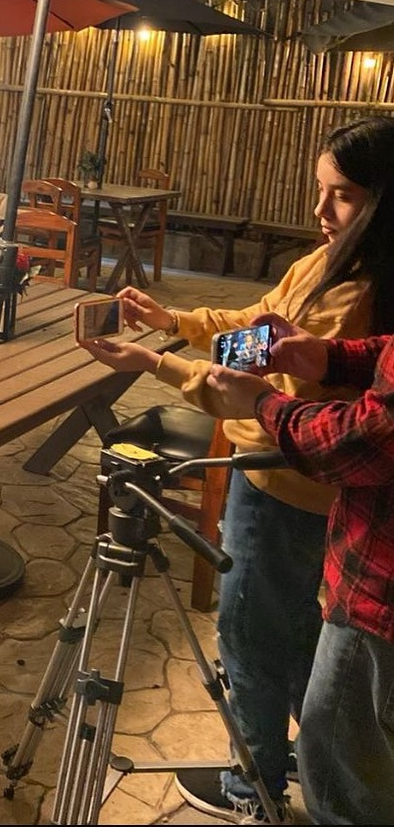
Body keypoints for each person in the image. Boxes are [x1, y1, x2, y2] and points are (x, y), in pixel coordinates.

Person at [88, 115, 394, 821]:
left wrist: (158, 364)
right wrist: (175, 323)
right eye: (320, 189)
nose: (320, 210)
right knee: (298, 639)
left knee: (250, 635)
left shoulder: (359, 292)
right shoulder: (327, 262)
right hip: (277, 480)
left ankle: (252, 786)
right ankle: (293, 763)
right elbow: (259, 329)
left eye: (343, 195)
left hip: (290, 486)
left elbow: (267, 394)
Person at [198, 321, 394, 826]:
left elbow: (360, 439)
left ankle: (256, 789)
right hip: (362, 570)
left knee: (344, 789)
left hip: (380, 596)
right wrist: (331, 358)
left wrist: (264, 403)